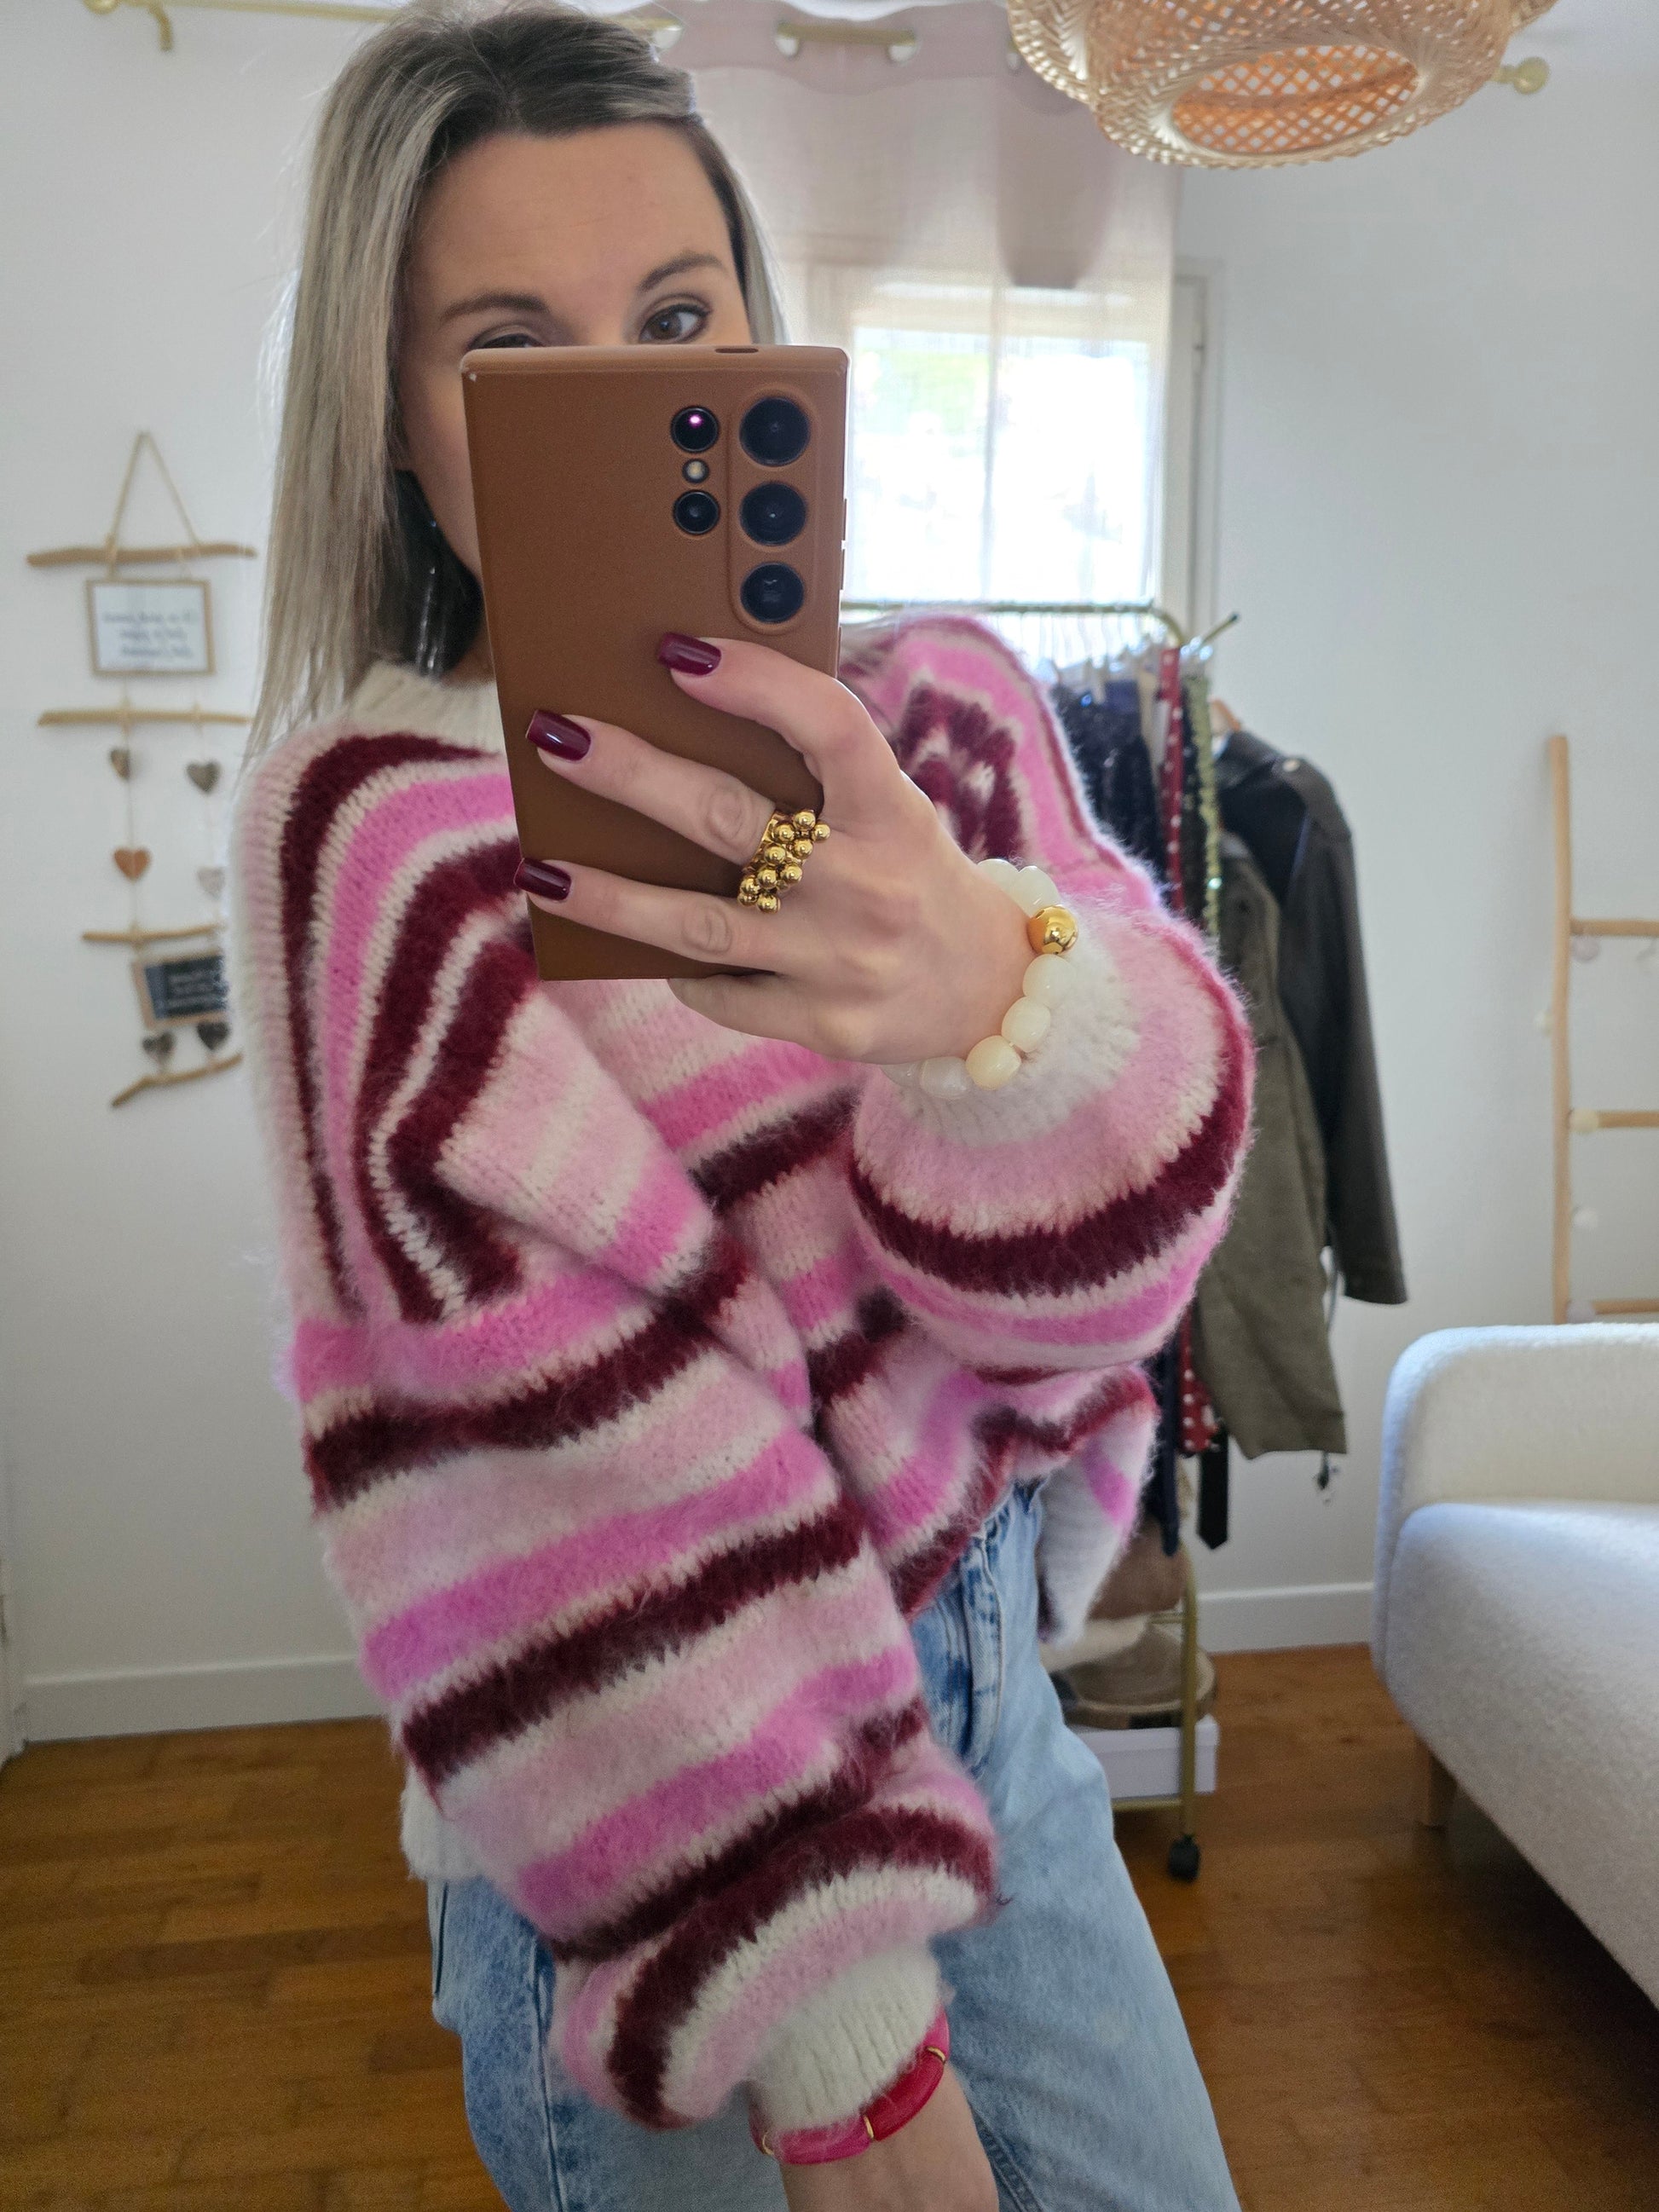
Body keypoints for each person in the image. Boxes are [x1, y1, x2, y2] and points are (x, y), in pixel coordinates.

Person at [232, 5, 1251, 2208]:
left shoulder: (940, 721)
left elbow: (1121, 1282)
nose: (625, 403)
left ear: (762, 339)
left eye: (679, 318)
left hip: (995, 1717)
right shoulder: (376, 835)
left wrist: (988, 994)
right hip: (654, 1829)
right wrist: (847, 2057)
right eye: (512, 350)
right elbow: (529, 1453)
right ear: (393, 418)